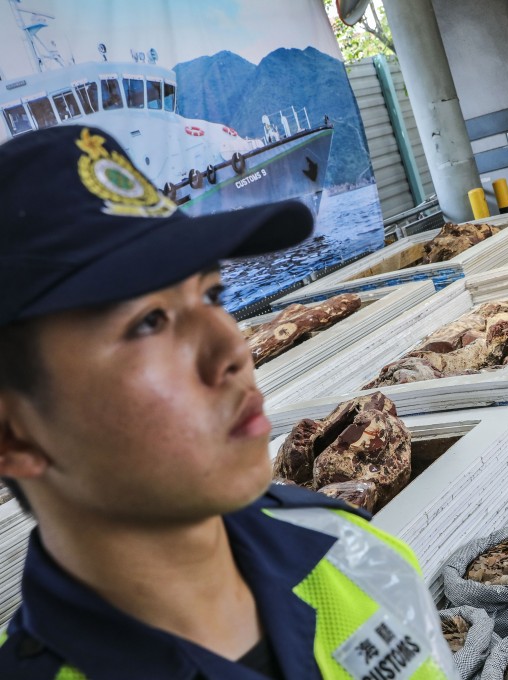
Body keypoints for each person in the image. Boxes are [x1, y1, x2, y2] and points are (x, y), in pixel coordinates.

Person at [0, 124, 457, 679]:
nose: (232, 348)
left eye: (212, 295)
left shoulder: (353, 557)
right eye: (148, 322)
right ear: (15, 434)